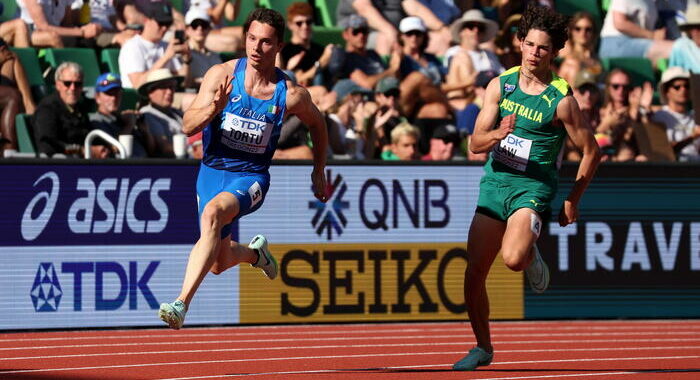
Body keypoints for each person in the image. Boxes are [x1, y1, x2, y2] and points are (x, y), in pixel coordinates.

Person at [157, 8, 328, 330]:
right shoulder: (221, 76)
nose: (255, 48)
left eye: (265, 42)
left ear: (278, 47)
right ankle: (255, 255)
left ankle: (180, 304)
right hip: (210, 172)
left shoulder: (290, 94)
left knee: (212, 214)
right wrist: (213, 108)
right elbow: (187, 124)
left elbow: (318, 126)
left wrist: (318, 170)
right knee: (219, 262)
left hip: (250, 178)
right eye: (251, 39)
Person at [453, 5, 600, 371]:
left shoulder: (561, 100)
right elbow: (475, 143)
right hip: (496, 182)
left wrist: (573, 200)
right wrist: (497, 134)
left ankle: (532, 253)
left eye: (543, 47)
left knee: (514, 258)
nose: (534, 52)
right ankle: (483, 347)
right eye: (529, 44)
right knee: (474, 271)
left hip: (532, 186)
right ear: (520, 43)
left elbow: (592, 152)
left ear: (555, 52)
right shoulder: (499, 85)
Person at [33, 61, 109, 158]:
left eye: (78, 84)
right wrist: (81, 150)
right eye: (67, 83)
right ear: (58, 85)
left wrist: (104, 148)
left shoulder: (80, 107)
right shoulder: (47, 109)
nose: (72, 88)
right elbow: (47, 145)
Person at [118, 1, 192, 89]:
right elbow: (138, 84)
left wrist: (187, 60)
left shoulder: (166, 45)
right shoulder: (132, 47)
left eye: (167, 24)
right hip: (140, 98)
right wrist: (166, 57)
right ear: (146, 20)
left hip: (166, 95)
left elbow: (183, 83)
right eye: (160, 23)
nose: (164, 28)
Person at [90, 72, 154, 158]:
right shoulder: (96, 121)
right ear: (97, 97)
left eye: (117, 93)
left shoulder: (124, 119)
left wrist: (145, 130)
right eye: (109, 93)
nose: (113, 98)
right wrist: (129, 125)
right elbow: (115, 148)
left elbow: (152, 150)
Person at [598, 0, 674, 62]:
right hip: (617, 43)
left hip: (639, 44)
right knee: (678, 49)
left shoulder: (652, 4)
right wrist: (652, 35)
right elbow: (619, 23)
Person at [651, 66, 700, 161]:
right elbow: (663, 152)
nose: (683, 90)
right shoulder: (659, 117)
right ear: (666, 92)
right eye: (677, 87)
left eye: (687, 86)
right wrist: (692, 137)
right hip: (673, 171)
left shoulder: (696, 116)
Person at [139, 68, 184, 157]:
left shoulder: (177, 112)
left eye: (172, 87)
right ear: (150, 92)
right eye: (163, 87)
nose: (169, 92)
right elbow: (164, 147)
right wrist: (192, 151)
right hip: (174, 164)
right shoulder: (147, 114)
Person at [184, 8, 223, 90]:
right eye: (195, 25)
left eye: (204, 25)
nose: (200, 28)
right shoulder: (181, 53)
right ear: (187, 29)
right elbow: (182, 83)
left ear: (209, 29)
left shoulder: (215, 56)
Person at [669, 5, 700, 72]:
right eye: (695, 28)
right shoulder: (681, 46)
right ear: (689, 30)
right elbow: (674, 75)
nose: (697, 32)